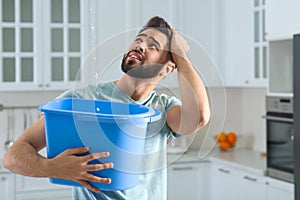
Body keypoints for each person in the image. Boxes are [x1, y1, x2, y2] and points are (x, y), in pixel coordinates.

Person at [3, 16, 210, 200]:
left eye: (153, 45)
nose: (140, 46)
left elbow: (199, 117)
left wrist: (180, 54)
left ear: (168, 68)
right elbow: (13, 156)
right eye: (138, 40)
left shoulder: (163, 110)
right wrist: (52, 168)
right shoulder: (81, 99)